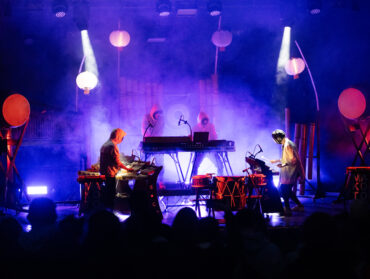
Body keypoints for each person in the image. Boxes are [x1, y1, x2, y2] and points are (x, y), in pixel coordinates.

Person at [270, 129, 305, 216]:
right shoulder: (288, 143)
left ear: (278, 138)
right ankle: (300, 206)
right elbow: (288, 158)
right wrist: (276, 161)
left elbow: (293, 160)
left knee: (284, 190)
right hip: (290, 172)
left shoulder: (287, 145)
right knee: (287, 191)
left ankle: (287, 209)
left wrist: (282, 165)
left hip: (290, 172)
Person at [100, 128, 134, 209]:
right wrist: (127, 169)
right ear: (118, 137)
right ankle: (110, 213)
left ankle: (108, 211)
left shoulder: (106, 144)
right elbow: (117, 162)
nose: (122, 140)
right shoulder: (113, 146)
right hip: (110, 173)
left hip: (105, 171)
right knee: (111, 194)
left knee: (108, 193)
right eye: (122, 138)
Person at [191, 112, 223, 177]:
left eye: (206, 120)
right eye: (203, 120)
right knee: (195, 166)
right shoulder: (195, 128)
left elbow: (214, 137)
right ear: (200, 120)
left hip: (210, 150)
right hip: (200, 150)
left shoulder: (211, 126)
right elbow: (192, 139)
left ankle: (219, 180)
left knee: (220, 165)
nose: (205, 122)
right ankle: (194, 181)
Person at [141, 104, 165, 184]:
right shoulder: (146, 117)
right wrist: (150, 139)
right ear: (153, 113)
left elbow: (161, 131)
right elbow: (144, 130)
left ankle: (161, 182)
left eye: (159, 114)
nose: (158, 115)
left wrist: (157, 140)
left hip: (157, 143)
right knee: (145, 164)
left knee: (160, 164)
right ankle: (144, 182)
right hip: (148, 143)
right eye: (157, 113)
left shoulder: (161, 119)